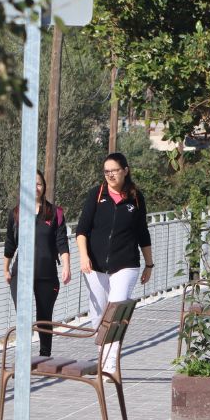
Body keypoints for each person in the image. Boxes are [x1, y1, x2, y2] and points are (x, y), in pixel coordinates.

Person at [76, 152, 153, 367]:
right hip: (95, 265)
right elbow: (82, 230)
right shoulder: (97, 194)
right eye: (106, 171)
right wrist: (83, 256)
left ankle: (110, 363)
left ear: (125, 170)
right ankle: (103, 354)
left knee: (116, 311)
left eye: (114, 170)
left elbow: (142, 233)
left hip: (126, 263)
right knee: (99, 313)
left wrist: (149, 264)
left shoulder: (136, 198)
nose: (110, 175)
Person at [4, 170, 71, 357]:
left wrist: (66, 266)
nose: (36, 188)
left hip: (47, 274)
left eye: (39, 184)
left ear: (44, 187)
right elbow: (10, 243)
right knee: (23, 318)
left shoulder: (55, 213)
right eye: (31, 184)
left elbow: (62, 242)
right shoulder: (16, 213)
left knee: (44, 317)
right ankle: (23, 358)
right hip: (21, 275)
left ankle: (44, 356)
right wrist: (6, 269)